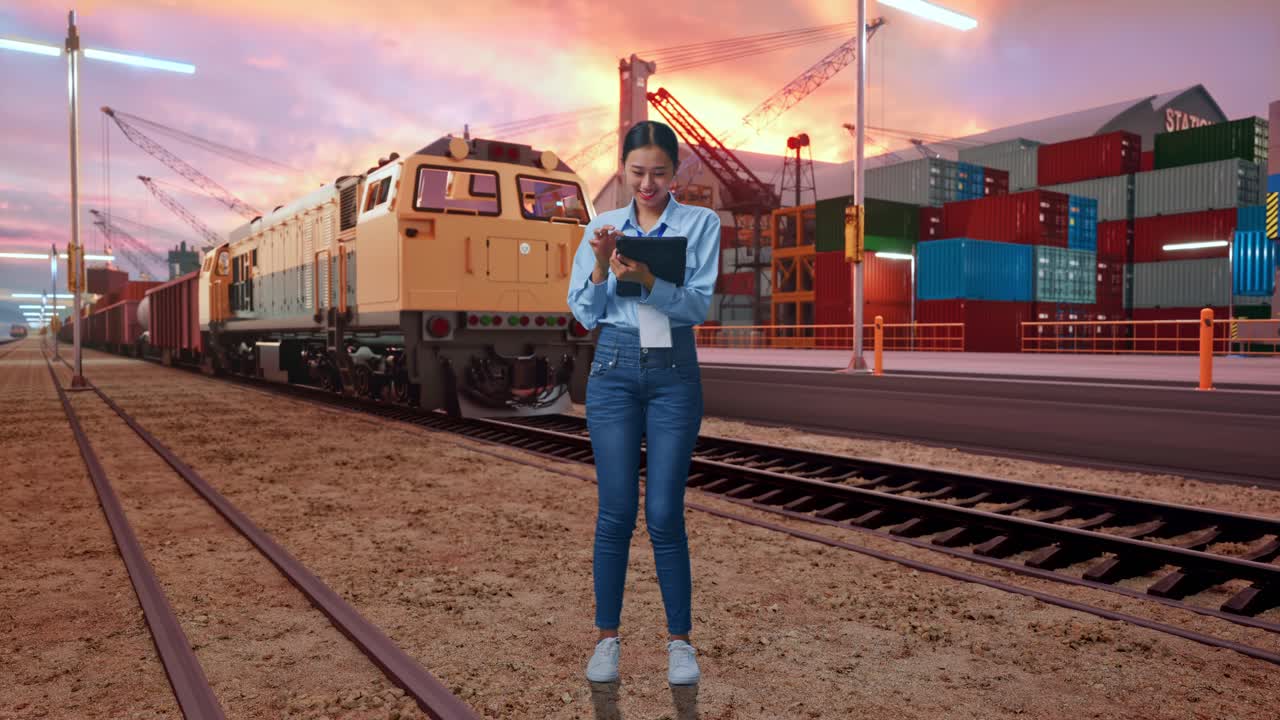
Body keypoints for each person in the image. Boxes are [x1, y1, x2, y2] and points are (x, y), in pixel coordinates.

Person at [566, 120, 721, 688]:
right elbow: (584, 312)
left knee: (663, 513)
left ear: (674, 170)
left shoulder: (700, 223)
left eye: (658, 172)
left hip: (673, 369)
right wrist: (605, 265)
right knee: (615, 512)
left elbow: (698, 305)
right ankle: (607, 640)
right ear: (624, 170)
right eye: (637, 173)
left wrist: (651, 279)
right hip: (612, 367)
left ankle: (679, 643)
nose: (648, 183)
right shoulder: (602, 224)